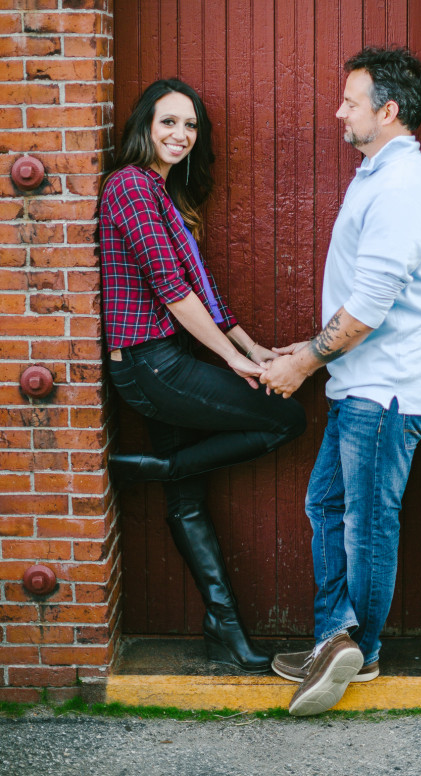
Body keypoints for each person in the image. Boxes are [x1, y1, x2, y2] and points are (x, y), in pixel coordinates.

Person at [262, 47, 421, 716]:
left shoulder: (402, 184)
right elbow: (358, 295)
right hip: (360, 381)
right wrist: (308, 349)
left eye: (350, 101)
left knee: (366, 523)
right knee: (328, 509)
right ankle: (331, 641)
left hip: (386, 389)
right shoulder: (378, 174)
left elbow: (370, 302)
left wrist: (303, 362)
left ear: (387, 110)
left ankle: (357, 650)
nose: (339, 111)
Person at [99, 78, 306, 674]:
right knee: (285, 418)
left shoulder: (166, 195)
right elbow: (174, 294)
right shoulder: (130, 187)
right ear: (143, 126)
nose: (179, 135)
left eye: (190, 126)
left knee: (187, 502)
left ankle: (226, 630)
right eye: (168, 122)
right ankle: (160, 467)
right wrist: (236, 364)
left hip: (166, 362)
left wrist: (253, 347)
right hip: (148, 366)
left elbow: (206, 296)